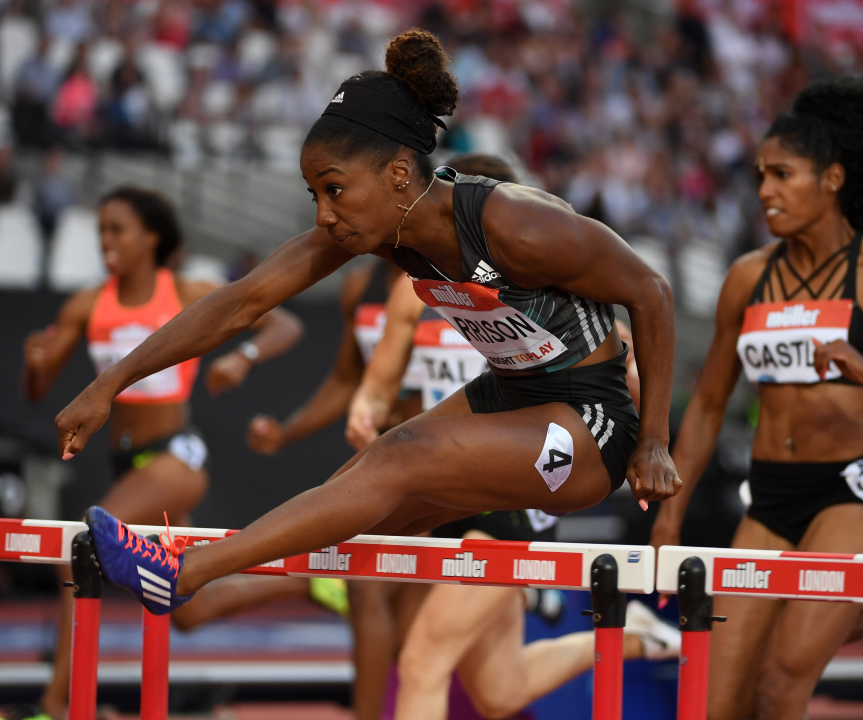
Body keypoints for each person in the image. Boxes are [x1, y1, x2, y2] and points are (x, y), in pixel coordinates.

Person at [54, 30, 678, 625]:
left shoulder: (515, 225)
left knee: (402, 451)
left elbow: (651, 291)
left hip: (591, 422)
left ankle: (183, 574)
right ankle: (226, 589)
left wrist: (653, 442)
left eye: (333, 190)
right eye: (313, 194)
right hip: (509, 394)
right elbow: (242, 302)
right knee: (351, 491)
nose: (323, 216)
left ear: (398, 176)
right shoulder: (381, 229)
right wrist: (112, 380)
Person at [649, 76, 863, 720]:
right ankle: (855, 615)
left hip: (851, 491)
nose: (765, 190)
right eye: (761, 175)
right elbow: (707, 404)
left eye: (783, 174)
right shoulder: (748, 276)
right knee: (713, 701)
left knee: (779, 685)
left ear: (832, 178)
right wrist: (671, 513)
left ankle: (844, 612)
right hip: (768, 497)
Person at [344, 166, 679, 717]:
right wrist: (366, 409)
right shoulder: (415, 294)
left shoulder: (551, 293)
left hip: (517, 491)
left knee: (424, 659)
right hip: (450, 479)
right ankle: (633, 635)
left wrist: (652, 445)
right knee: (500, 689)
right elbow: (379, 383)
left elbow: (630, 386)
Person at [23, 186, 303, 719]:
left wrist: (243, 357)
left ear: (152, 238)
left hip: (176, 458)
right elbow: (38, 390)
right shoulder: (88, 303)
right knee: (188, 608)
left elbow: (285, 322)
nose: (107, 240)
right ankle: (311, 587)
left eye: (118, 229)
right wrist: (36, 364)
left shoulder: (187, 291)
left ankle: (56, 706)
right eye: (101, 229)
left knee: (82, 547)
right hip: (129, 463)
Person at [178, 254, 419, 720]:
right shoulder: (359, 288)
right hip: (383, 466)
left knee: (378, 600)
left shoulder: (452, 282)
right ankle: (307, 582)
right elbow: (348, 380)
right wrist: (288, 432)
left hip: (442, 469)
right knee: (373, 600)